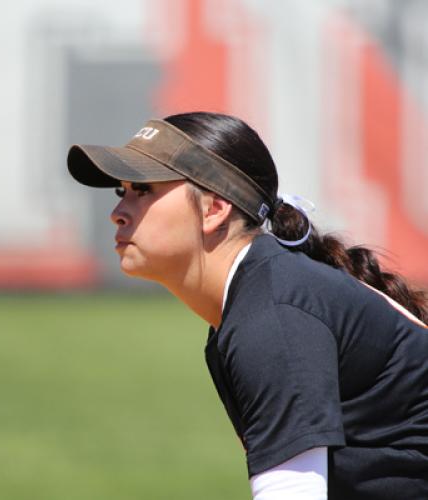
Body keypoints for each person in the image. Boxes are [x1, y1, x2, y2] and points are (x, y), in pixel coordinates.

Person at [67, 111, 428, 500]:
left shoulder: (273, 315)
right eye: (122, 191)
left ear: (213, 210)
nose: (118, 212)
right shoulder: (255, 304)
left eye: (144, 190)